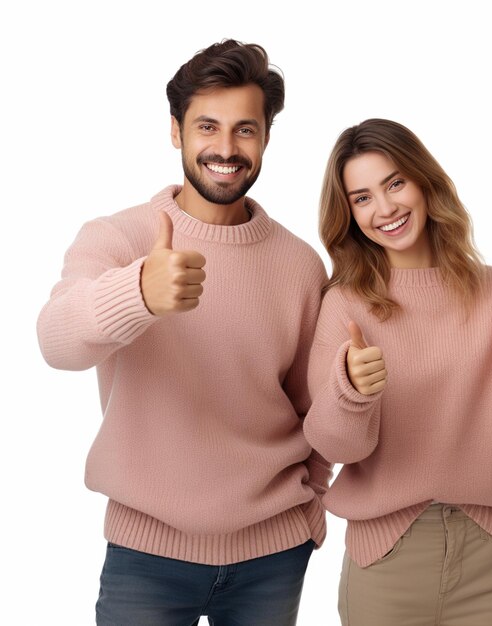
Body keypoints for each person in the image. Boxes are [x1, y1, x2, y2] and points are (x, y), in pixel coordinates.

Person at [36, 39, 331, 626]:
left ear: (267, 137)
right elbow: (54, 341)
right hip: (145, 557)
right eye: (207, 127)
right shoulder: (119, 239)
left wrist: (310, 509)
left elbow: (314, 406)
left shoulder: (300, 264)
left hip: (273, 554)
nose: (226, 148)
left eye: (245, 130)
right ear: (176, 131)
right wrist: (139, 293)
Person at [304, 118, 492, 626]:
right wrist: (350, 393)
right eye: (362, 197)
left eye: (395, 183)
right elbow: (335, 447)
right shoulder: (345, 304)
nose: (386, 208)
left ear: (424, 182)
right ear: (348, 214)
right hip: (385, 560)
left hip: (491, 556)